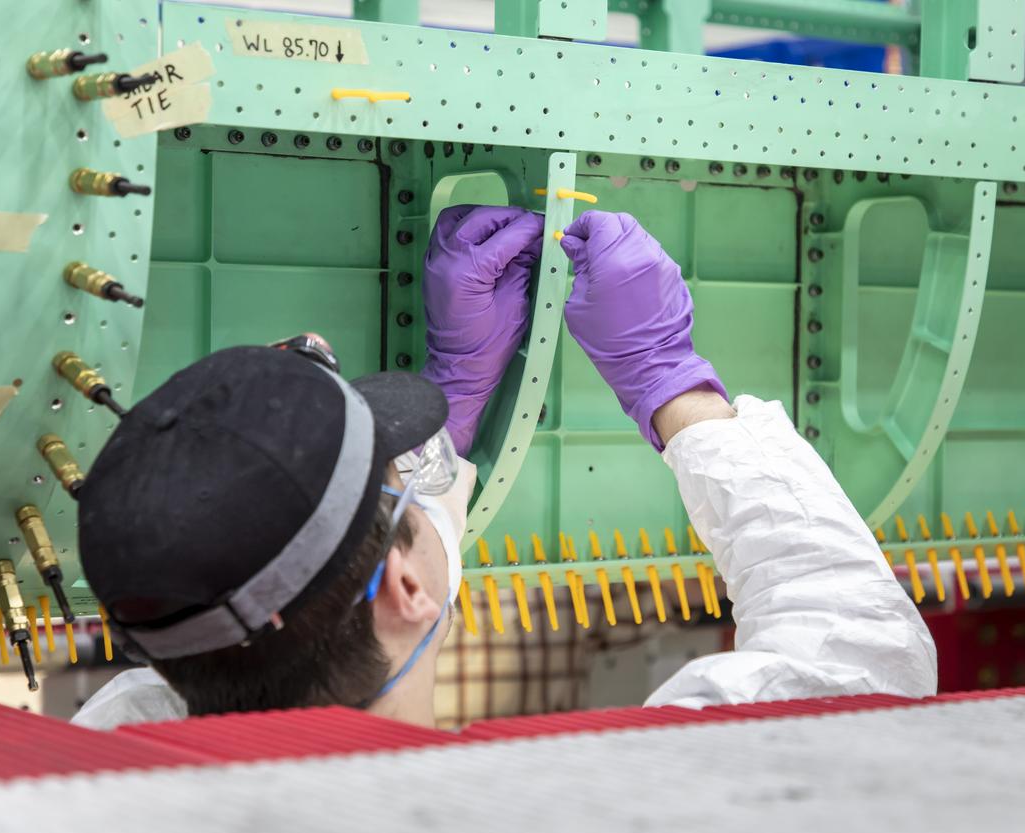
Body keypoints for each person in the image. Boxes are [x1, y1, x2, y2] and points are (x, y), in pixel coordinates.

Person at [72, 206, 935, 729]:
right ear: (404, 586)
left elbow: (263, 610)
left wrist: (452, 402)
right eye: (393, 488)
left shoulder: (97, 771)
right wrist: (675, 383)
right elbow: (858, 655)